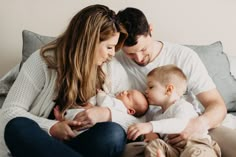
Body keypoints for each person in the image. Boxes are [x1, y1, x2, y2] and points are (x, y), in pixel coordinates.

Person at [0, 4, 128, 157]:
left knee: (113, 134)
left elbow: (138, 119)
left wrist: (105, 113)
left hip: (81, 143)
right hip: (40, 144)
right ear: (89, 43)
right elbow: (9, 112)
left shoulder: (111, 68)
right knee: (17, 126)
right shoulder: (42, 61)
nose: (112, 54)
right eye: (109, 47)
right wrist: (52, 127)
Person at [109, 7, 236, 157]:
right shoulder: (114, 63)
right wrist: (150, 133)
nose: (139, 58)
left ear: (150, 29)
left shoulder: (184, 56)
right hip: (156, 137)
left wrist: (197, 125)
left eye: (143, 49)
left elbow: (217, 105)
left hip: (198, 129)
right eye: (130, 53)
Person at [127, 64, 221, 157]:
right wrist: (152, 134)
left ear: (169, 89)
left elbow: (180, 124)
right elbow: (159, 133)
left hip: (196, 143)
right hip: (175, 149)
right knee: (155, 145)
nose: (146, 91)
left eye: (151, 87)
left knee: (196, 152)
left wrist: (151, 126)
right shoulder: (157, 115)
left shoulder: (183, 106)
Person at [55, 89, 149, 135]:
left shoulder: (119, 106)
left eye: (128, 95)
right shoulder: (118, 104)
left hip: (88, 121)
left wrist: (101, 93)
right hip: (90, 124)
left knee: (79, 115)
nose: (124, 92)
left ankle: (63, 119)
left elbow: (104, 101)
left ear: (130, 111)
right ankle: (63, 120)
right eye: (127, 91)